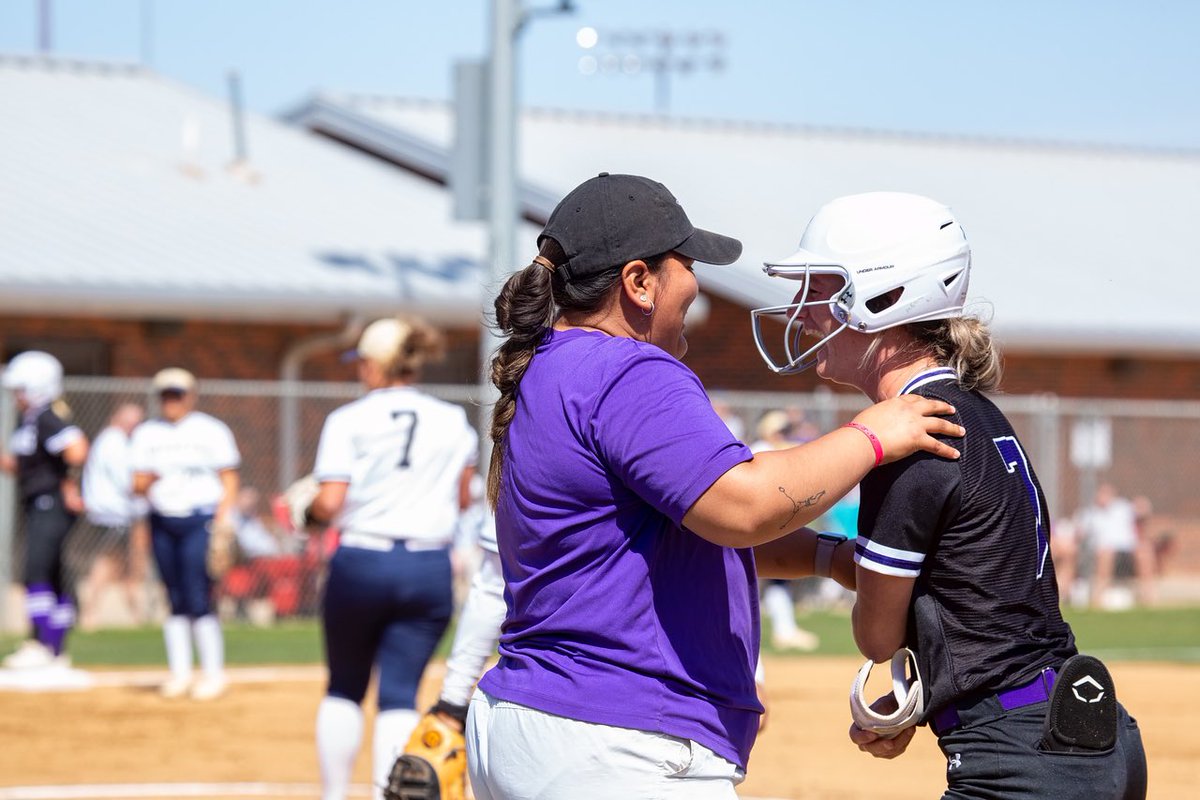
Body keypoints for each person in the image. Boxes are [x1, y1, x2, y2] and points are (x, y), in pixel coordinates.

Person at [466, 172, 963, 800]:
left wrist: (825, 557)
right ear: (639, 282)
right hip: (616, 735)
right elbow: (744, 505)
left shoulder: (553, 364)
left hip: (543, 723)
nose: (697, 286)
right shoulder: (628, 369)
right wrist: (872, 435)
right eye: (687, 263)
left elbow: (670, 533)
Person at [754, 191, 1146, 798]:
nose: (802, 313)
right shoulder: (979, 413)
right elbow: (978, 593)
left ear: (884, 297)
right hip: (1087, 732)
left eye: (823, 288)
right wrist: (929, 691)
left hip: (1020, 755)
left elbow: (876, 638)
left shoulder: (909, 436)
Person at [291, 316, 478, 800]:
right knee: (399, 692)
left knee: (345, 687)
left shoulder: (348, 419)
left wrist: (306, 512)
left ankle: (335, 795)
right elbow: (462, 498)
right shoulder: (452, 419)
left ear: (376, 365)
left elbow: (330, 503)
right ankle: (385, 794)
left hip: (363, 560)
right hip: (426, 565)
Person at [131, 367, 240, 701]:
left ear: (190, 396)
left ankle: (212, 673)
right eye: (165, 395)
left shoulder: (210, 430)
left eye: (177, 394)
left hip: (199, 519)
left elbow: (229, 478)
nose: (171, 402)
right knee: (174, 596)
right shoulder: (147, 433)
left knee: (198, 595)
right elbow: (136, 484)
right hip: (163, 518)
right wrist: (150, 481)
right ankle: (179, 673)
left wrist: (224, 521)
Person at [1, 351, 89, 670]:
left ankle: (41, 643)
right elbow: (24, 465)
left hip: (50, 503)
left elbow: (77, 450)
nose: (16, 396)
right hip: (39, 502)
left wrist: (69, 483)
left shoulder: (47, 416)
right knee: (52, 573)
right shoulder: (31, 421)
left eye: (20, 389)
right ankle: (54, 649)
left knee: (36, 570)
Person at [751, 410, 820, 652]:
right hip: (759, 525)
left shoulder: (777, 448)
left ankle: (784, 630)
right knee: (760, 579)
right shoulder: (760, 448)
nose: (785, 435)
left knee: (775, 580)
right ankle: (782, 630)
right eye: (781, 430)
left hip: (774, 523)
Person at [79, 402, 150, 629]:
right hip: (114, 515)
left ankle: (137, 615)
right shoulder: (114, 441)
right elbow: (128, 482)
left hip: (117, 514)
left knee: (128, 566)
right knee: (108, 563)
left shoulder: (110, 440)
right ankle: (90, 614)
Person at [1078, 483, 1155, 609]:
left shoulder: (1123, 508)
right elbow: (1080, 535)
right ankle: (1097, 599)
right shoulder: (1089, 514)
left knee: (1144, 552)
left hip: (1127, 549)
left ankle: (1149, 598)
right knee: (1106, 555)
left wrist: (1143, 505)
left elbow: (1143, 512)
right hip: (1103, 551)